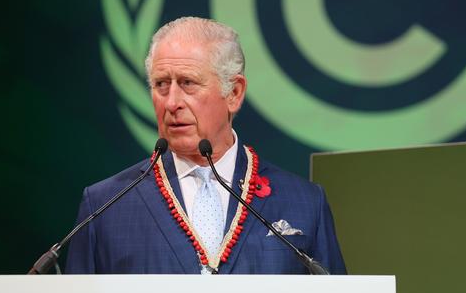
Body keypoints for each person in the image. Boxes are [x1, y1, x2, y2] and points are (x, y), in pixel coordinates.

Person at [65, 17, 346, 275]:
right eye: (161, 84)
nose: (172, 102)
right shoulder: (105, 207)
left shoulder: (305, 203)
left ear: (234, 93)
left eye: (188, 83)